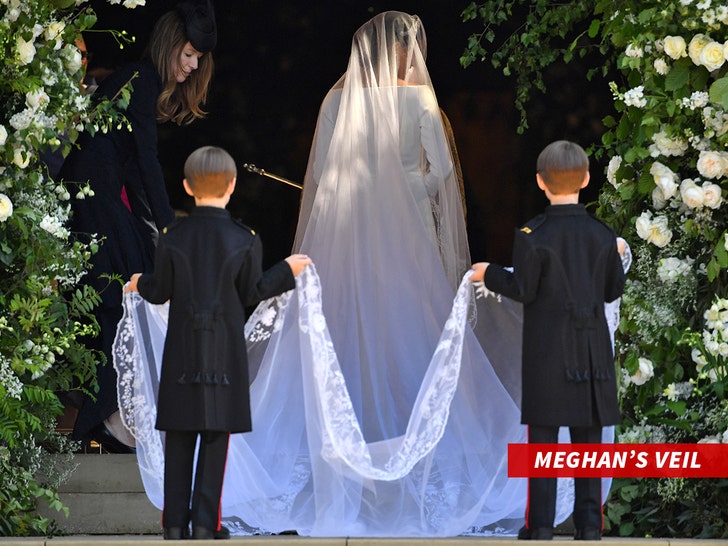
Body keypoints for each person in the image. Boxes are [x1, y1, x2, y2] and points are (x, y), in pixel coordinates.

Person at [124, 146, 311, 540]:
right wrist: (288, 271)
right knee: (214, 441)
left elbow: (159, 292)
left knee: (178, 437)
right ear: (232, 186)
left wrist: (139, 281)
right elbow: (253, 292)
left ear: (187, 187)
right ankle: (207, 524)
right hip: (224, 356)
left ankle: (175, 524)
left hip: (181, 356)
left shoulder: (172, 237)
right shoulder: (245, 239)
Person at [59, 0, 217, 453]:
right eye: (187, 55)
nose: (190, 66)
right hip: (93, 204)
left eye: (197, 60)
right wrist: (168, 230)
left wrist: (155, 225)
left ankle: (115, 420)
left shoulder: (136, 80)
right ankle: (112, 421)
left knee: (126, 301)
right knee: (125, 301)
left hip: (98, 202)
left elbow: (132, 168)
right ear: (171, 45)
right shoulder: (142, 80)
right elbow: (145, 161)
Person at [470, 140, 627, 541]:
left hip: (546, 354)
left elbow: (522, 288)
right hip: (591, 351)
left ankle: (539, 525)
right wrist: (616, 252)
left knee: (543, 439)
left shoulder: (531, 234)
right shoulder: (603, 234)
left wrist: (487, 272)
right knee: (589, 440)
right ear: (587, 179)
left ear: (540, 182)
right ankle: (590, 526)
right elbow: (611, 290)